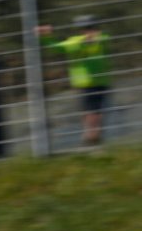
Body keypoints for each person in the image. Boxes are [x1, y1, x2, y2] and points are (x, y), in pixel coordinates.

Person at [37, 14, 112, 146]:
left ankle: (92, 137)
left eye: (91, 27)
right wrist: (45, 36)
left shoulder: (101, 38)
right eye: (88, 28)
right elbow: (56, 47)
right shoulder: (76, 42)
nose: (90, 31)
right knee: (92, 111)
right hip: (87, 83)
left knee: (94, 111)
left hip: (98, 81)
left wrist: (46, 37)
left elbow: (56, 47)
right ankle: (92, 137)